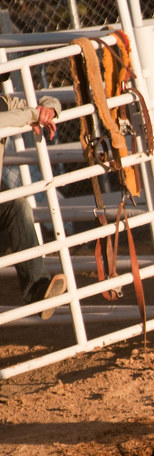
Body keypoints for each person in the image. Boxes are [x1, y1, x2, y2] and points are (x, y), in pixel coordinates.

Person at [1, 78, 65, 319]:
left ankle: (39, 291)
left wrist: (48, 110)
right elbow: (13, 117)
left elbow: (46, 103)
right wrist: (31, 115)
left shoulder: (4, 102)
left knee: (17, 207)